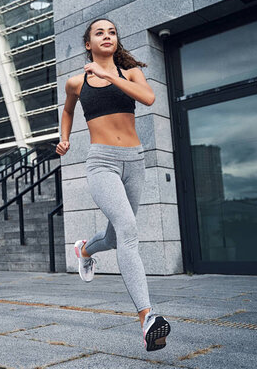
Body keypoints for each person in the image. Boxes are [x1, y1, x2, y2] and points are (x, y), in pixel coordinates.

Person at [55, 18, 171, 352]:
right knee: (128, 230)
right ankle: (147, 319)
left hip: (135, 160)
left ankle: (85, 250)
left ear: (116, 42)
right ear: (88, 44)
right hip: (101, 162)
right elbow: (67, 112)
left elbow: (148, 99)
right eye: (99, 33)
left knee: (113, 236)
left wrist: (110, 76)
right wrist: (64, 139)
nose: (107, 36)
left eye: (112, 32)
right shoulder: (76, 82)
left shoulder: (130, 73)